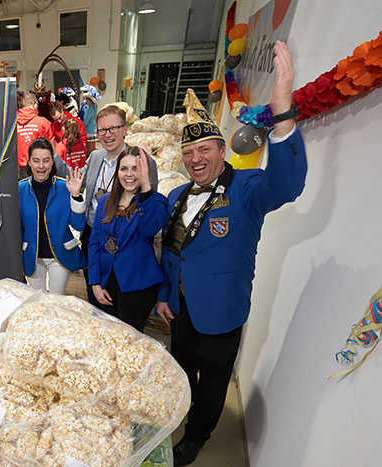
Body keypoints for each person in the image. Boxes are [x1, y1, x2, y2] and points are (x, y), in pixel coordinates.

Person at [155, 41, 306, 466]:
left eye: (204, 150)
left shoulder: (248, 189)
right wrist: (167, 296)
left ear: (223, 150)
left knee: (214, 382)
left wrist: (283, 116)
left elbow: (288, 185)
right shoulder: (180, 194)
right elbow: (173, 252)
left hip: (221, 311)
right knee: (179, 370)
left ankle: (197, 437)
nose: (195, 158)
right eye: (188, 153)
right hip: (180, 307)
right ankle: (176, 418)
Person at [76, 105, 158, 307]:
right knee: (94, 291)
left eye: (113, 128)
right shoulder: (95, 157)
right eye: (102, 130)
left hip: (126, 240)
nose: (107, 135)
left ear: (125, 129)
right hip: (93, 233)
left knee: (120, 295)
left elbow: (149, 202)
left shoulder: (141, 160)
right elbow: (80, 180)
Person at [88, 146, 168, 331]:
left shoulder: (156, 202)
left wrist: (146, 187)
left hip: (137, 286)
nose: (129, 174)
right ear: (117, 172)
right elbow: (94, 243)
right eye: (124, 168)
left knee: (129, 341)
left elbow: (149, 228)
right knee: (108, 336)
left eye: (136, 168)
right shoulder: (105, 201)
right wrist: (95, 283)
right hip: (107, 281)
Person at [19, 138, 86, 294]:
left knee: (57, 301)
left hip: (60, 257)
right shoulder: (20, 189)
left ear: (52, 162)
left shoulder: (65, 187)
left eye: (46, 160)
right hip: (32, 258)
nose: (41, 166)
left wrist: (76, 196)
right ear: (29, 162)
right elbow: (18, 228)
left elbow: (78, 225)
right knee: (37, 302)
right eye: (36, 160)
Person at [16, 92, 53, 180]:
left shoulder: (12, 124)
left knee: (24, 191)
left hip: (19, 168)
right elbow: (52, 146)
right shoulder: (43, 123)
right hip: (41, 167)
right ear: (34, 104)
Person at [80, 84, 100, 153]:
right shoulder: (95, 107)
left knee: (89, 151)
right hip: (93, 130)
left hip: (88, 131)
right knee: (92, 149)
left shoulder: (89, 108)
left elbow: (85, 121)